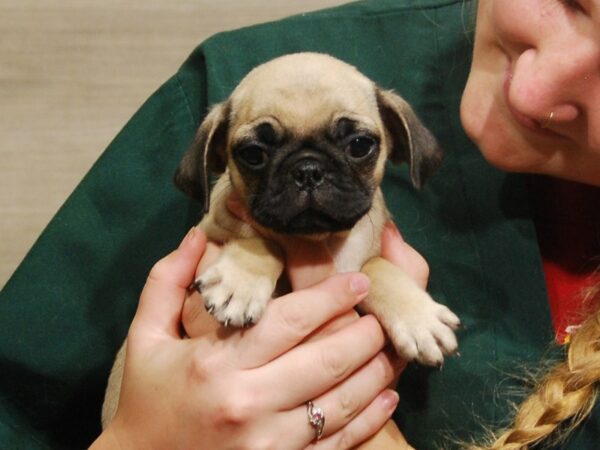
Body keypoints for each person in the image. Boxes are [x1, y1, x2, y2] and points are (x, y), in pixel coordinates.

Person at [1, 0, 599, 449]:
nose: (535, 90)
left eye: (356, 148)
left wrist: (386, 292)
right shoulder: (227, 79)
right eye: (571, 0)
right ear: (215, 154)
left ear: (399, 145)